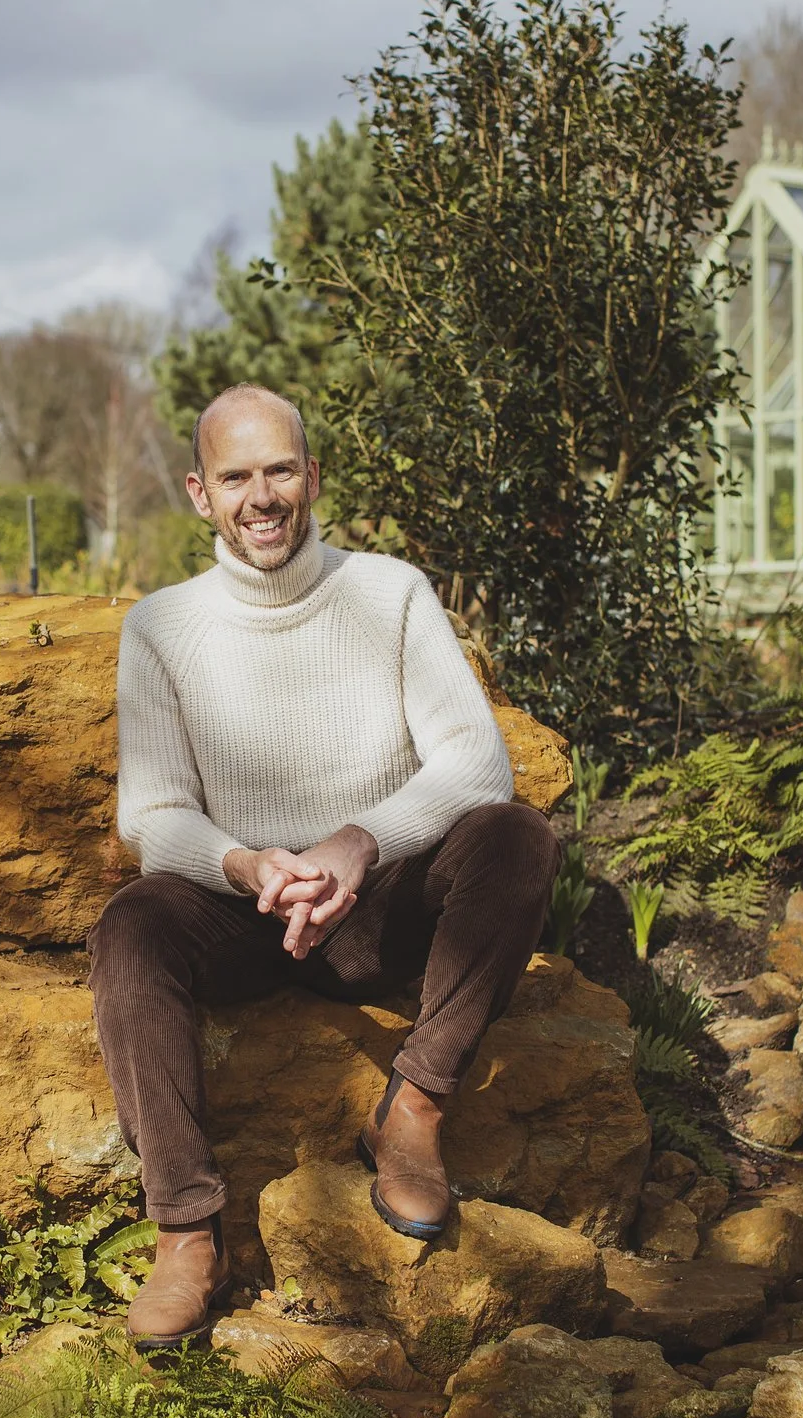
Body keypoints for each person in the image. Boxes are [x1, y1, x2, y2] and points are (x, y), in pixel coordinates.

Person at [90, 382, 558, 1349]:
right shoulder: (161, 627)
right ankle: (186, 1232)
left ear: (313, 476)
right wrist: (247, 864)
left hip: (381, 904)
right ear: (199, 494)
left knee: (517, 836)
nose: (261, 497)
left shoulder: (390, 593)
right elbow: (153, 816)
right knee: (131, 924)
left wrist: (357, 842)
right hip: (247, 913)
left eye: (279, 471)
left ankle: (413, 1109)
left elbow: (476, 762)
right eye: (235, 478)